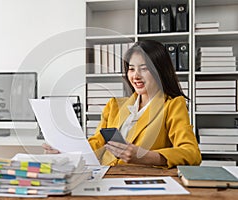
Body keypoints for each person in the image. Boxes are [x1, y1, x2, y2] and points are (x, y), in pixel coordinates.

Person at [43, 40, 201, 168]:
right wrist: (66, 153)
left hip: (142, 183)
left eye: (144, 68)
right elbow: (97, 143)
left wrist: (145, 156)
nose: (136, 76)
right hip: (105, 177)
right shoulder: (114, 106)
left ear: (160, 71)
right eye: (131, 69)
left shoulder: (172, 105)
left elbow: (191, 153)